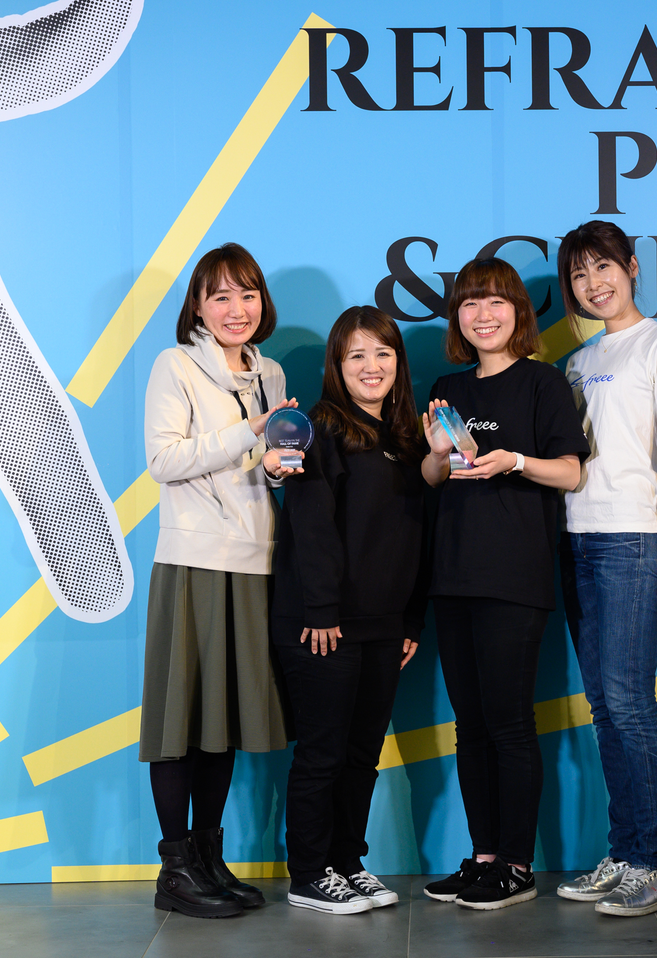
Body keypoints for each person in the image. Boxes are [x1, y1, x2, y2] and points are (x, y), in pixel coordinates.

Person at [420, 258, 590, 910]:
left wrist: (514, 461)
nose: (483, 315)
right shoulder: (447, 387)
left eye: (495, 302)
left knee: (509, 722)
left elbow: (571, 472)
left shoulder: (543, 382)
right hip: (452, 573)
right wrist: (438, 454)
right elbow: (431, 478)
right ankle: (485, 856)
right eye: (470, 303)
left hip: (514, 574)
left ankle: (517, 864)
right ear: (457, 317)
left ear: (518, 311)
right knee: (470, 726)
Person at [140, 242, 301, 919]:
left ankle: (208, 858)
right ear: (199, 308)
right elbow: (163, 460)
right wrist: (247, 434)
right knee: (182, 717)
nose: (238, 309)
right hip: (194, 560)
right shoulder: (175, 364)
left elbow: (263, 465)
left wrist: (277, 467)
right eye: (222, 296)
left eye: (248, 294)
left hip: (256, 558)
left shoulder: (271, 371)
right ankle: (175, 868)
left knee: (223, 718)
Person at [554, 221, 657, 917]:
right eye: (579, 275)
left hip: (633, 538)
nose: (593, 284)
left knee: (631, 702)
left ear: (632, 267)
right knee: (604, 706)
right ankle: (626, 852)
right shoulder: (577, 362)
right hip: (576, 538)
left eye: (603, 267)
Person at [270, 306, 428, 915]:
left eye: (382, 353)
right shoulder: (319, 429)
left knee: (363, 754)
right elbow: (310, 527)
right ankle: (310, 873)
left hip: (383, 626)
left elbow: (414, 538)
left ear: (398, 363)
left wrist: (410, 619)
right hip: (322, 623)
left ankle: (346, 862)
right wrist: (321, 610)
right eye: (356, 355)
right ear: (337, 366)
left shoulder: (407, 439)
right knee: (323, 752)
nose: (371, 366)